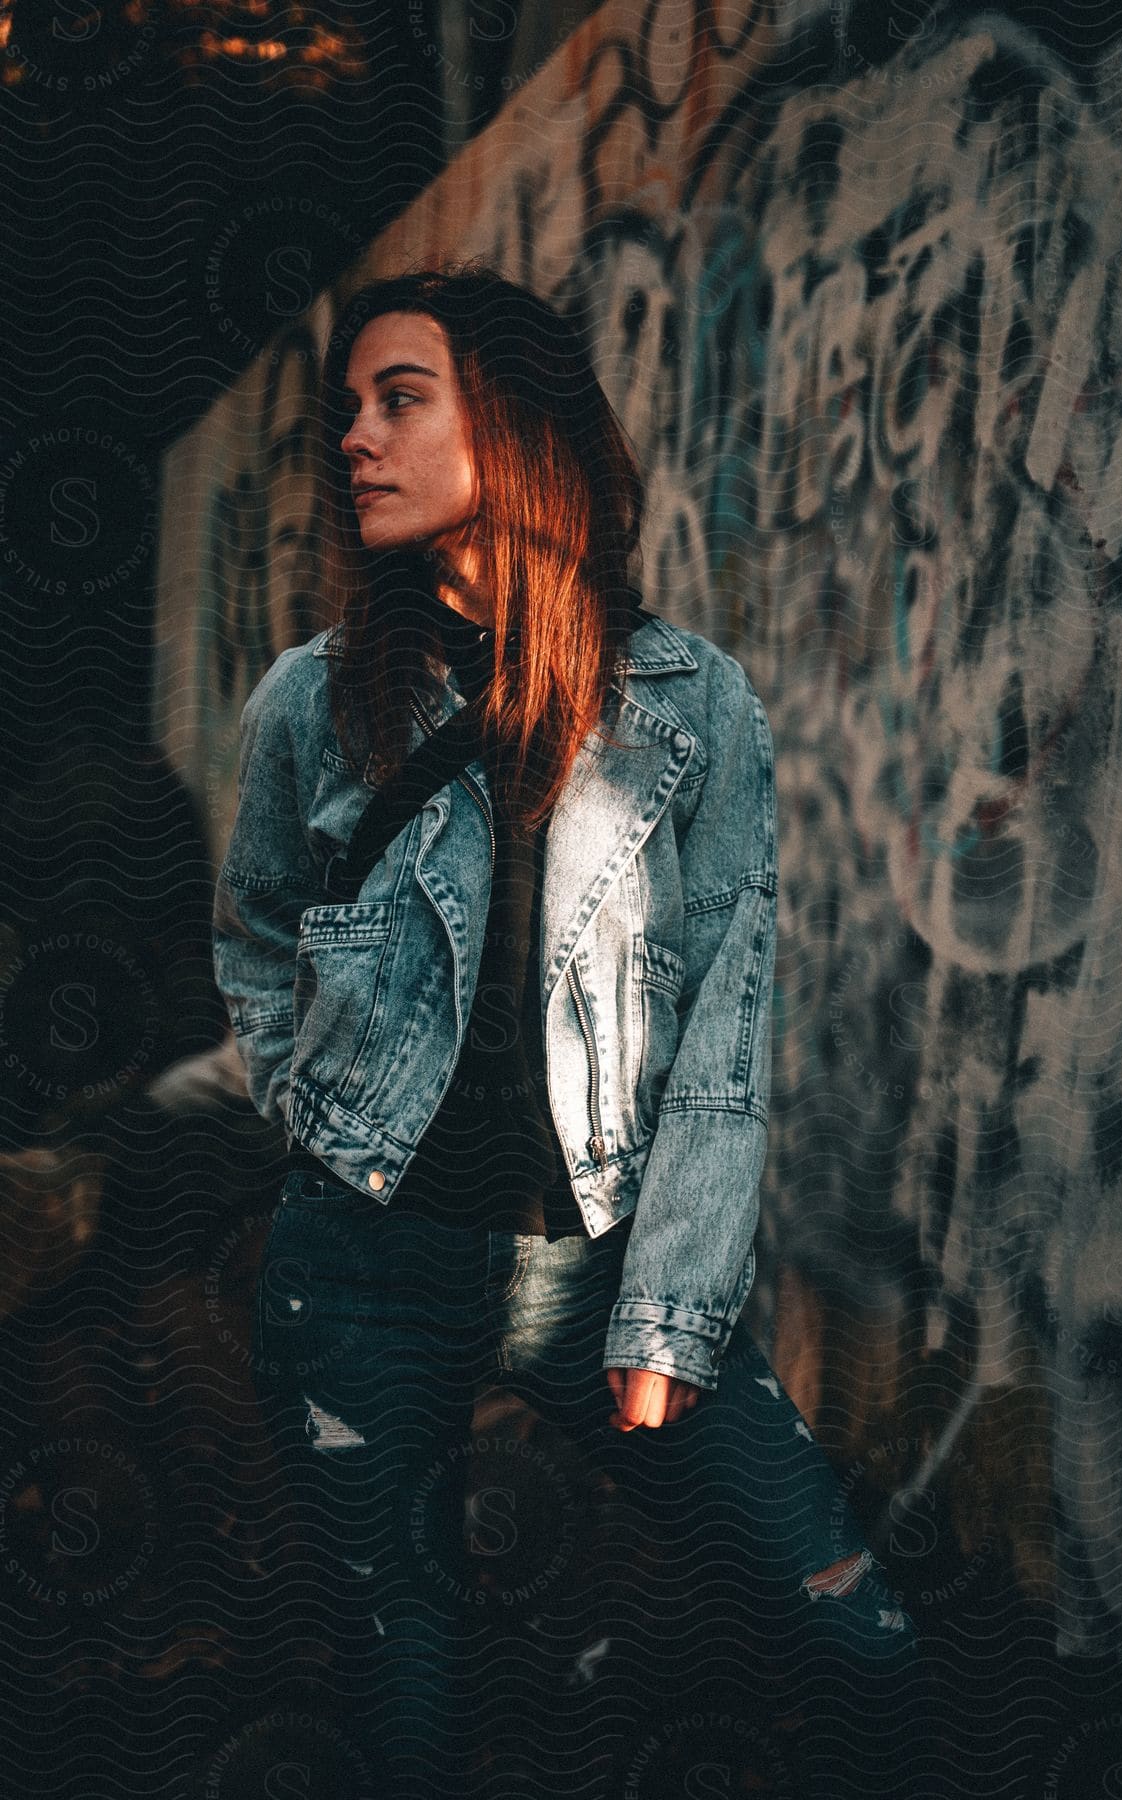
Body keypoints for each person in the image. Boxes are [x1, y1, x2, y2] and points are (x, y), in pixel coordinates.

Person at [212, 263, 921, 1798]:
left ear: (519, 428)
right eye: (349, 410)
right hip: (358, 1274)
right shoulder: (312, 701)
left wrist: (666, 1321)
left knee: (855, 1634)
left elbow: (727, 1037)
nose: (355, 439)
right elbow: (256, 934)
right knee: (412, 1704)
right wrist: (311, 1110)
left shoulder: (691, 706)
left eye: (401, 400)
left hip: (592, 1265)